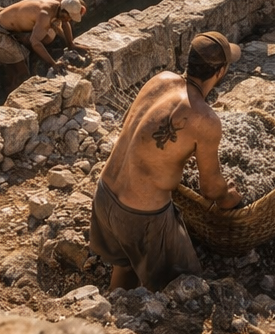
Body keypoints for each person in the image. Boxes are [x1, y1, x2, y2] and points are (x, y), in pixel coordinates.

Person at [90, 32, 244, 291]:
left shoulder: (159, 80)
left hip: (105, 195)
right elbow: (210, 189)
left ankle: (112, 315)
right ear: (221, 71)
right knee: (183, 285)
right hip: (141, 217)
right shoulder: (205, 119)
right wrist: (230, 198)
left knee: (125, 265)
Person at [0, 0, 88, 91]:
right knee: (22, 73)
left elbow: (65, 22)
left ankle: (31, 59)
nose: (69, 20)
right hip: (0, 29)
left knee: (48, 38)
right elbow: (35, 42)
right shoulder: (45, 15)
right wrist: (53, 63)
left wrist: (71, 44)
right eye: (69, 17)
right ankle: (10, 92)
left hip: (17, 27)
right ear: (63, 12)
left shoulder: (59, 6)